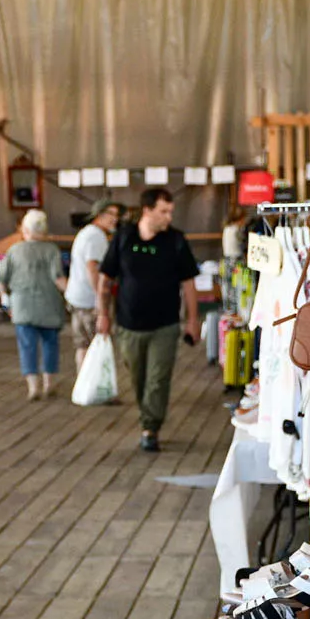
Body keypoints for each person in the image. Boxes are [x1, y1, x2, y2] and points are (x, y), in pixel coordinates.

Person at [97, 187, 200, 451]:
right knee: (138, 379)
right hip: (129, 325)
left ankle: (150, 428)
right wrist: (103, 314)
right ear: (147, 210)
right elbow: (105, 279)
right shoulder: (123, 238)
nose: (168, 217)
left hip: (165, 325)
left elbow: (188, 283)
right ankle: (147, 417)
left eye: (170, 212)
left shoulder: (175, 240)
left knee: (158, 379)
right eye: (163, 212)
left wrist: (192, 319)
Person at [0, 209, 68, 401]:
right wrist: (71, 293)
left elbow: (1, 279)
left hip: (22, 305)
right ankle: (49, 383)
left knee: (27, 345)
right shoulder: (52, 250)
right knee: (50, 344)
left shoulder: (14, 250)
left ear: (25, 229)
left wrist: (5, 297)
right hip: (49, 305)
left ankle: (33, 386)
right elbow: (58, 278)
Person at [65, 198, 122, 372]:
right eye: (111, 214)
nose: (115, 219)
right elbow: (93, 268)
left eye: (117, 215)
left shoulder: (85, 233)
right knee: (99, 344)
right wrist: (101, 300)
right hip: (90, 301)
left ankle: (83, 390)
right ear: (99, 215)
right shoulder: (96, 236)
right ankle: (98, 389)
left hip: (77, 298)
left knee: (82, 345)